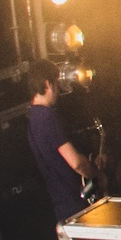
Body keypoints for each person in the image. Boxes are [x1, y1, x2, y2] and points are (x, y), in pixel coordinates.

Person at [24, 67, 93, 222]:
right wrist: (95, 174)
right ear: (48, 84)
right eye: (56, 83)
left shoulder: (32, 119)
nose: (59, 90)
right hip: (75, 204)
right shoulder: (47, 116)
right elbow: (75, 163)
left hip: (61, 207)